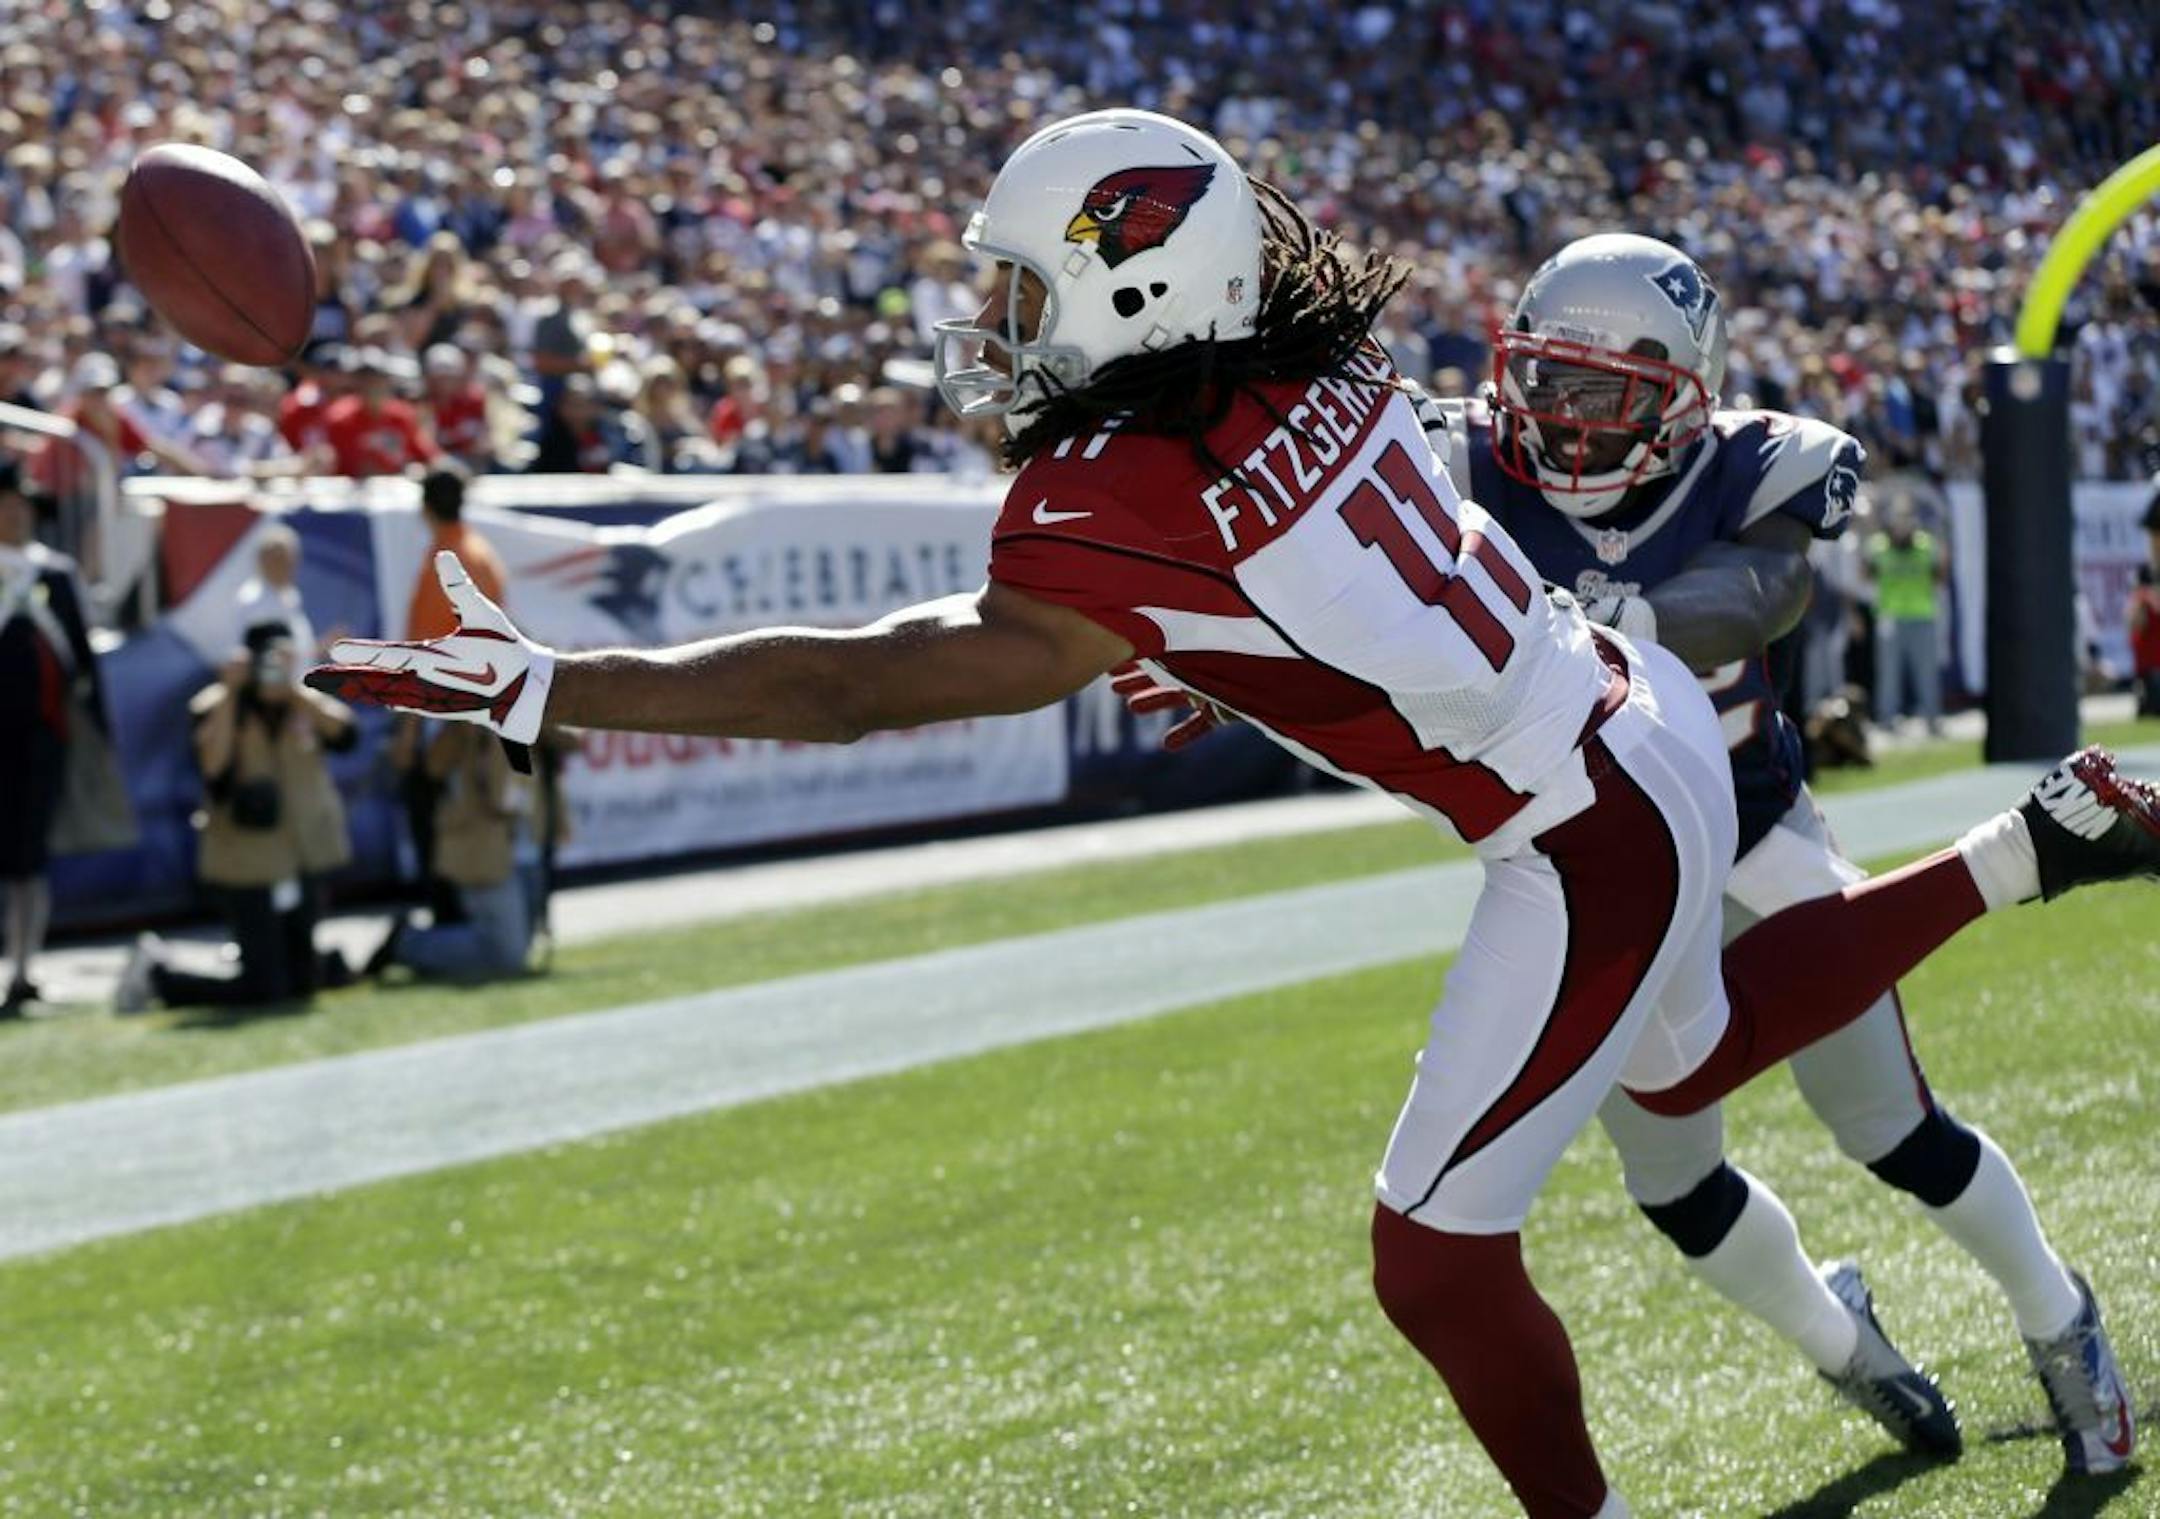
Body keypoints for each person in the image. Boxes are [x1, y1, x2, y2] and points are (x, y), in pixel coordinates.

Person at [307, 111, 2160, 1519]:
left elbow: (861, 675)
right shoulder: (1309, 346)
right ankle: (2026, 848)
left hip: (1584, 815)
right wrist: (1211, 641)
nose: (994, 321)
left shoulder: (1112, 496)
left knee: (1434, 1254)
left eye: (1022, 288)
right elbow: (1316, 556)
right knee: (1674, 1097)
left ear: (1137, 285)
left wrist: (559, 680)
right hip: (1627, 717)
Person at [1405, 234, 2128, 1469]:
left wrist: (1620, 619)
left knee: (1892, 1127)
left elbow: (1766, 590)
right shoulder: (1460, 454)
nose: (1558, 419)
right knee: (1675, 1186)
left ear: (1685, 395)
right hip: (1594, 871)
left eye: (1602, 392)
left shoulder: (1759, 466)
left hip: (1754, 834)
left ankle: (2060, 1315)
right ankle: (1845, 1341)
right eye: (1543, 380)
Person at [115, 621, 357, 1013]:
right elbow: (213, 766)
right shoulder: (217, 703)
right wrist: (231, 691)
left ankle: (328, 965)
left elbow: (347, 736)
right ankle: (159, 975)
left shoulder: (302, 698)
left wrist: (294, 689)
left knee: (302, 983)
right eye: (266, 658)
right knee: (265, 986)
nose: (272, 666)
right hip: (246, 857)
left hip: (305, 850)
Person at [0, 457, 101, 1014]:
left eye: (21, 507)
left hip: (41, 737)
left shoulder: (54, 574)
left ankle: (23, 968)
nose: (15, 516)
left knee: (28, 857)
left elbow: (80, 663)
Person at [370, 723, 542, 979]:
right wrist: (470, 719)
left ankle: (413, 945)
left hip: (524, 836)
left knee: (521, 945)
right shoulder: (448, 714)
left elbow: (567, 742)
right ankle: (407, 944)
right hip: (482, 842)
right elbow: (430, 766)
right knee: (507, 954)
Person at [1863, 499, 1949, 733]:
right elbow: (1866, 576)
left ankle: (1933, 719)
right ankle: (1887, 719)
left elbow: (1940, 578)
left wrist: (1943, 557)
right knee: (1889, 673)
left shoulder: (1926, 545)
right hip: (1890, 616)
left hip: (1922, 615)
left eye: (1907, 520)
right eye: (1898, 520)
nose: (1902, 525)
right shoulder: (1878, 547)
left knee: (1926, 672)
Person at [322, 348, 439, 479]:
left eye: (376, 378)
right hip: (352, 492)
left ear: (387, 381)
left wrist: (420, 469)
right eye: (363, 379)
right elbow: (342, 466)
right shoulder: (339, 417)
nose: (370, 385)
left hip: (397, 488)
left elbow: (427, 456)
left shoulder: (402, 415)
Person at [232, 522, 318, 659]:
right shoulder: (252, 600)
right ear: (261, 560)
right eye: (276, 558)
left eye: (288, 558)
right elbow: (265, 652)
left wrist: (322, 647)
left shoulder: (290, 596)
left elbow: (295, 650)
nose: (285, 565)